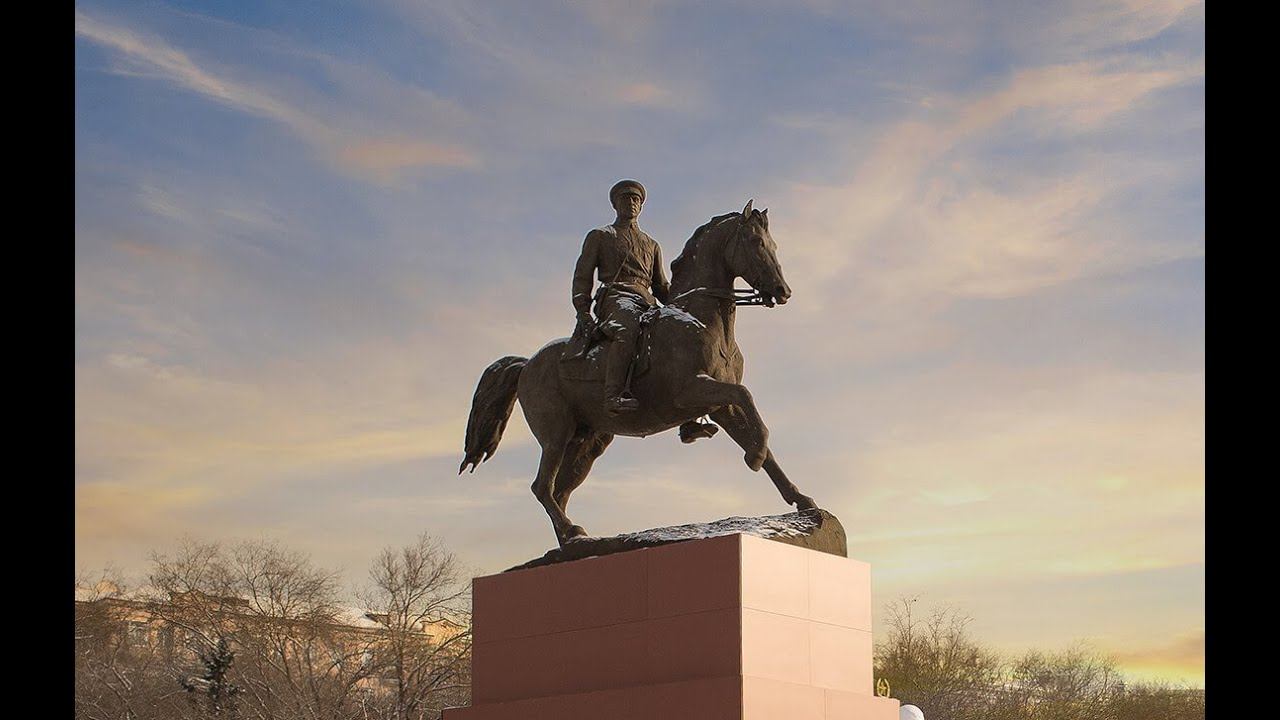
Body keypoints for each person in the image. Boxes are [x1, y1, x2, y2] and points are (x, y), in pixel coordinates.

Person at [571, 179, 670, 414]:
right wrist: (583, 310)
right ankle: (612, 395)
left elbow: (660, 285)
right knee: (627, 329)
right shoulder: (600, 236)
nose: (631, 203)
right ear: (615, 204)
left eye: (636, 199)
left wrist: (682, 306)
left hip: (646, 301)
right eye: (626, 198)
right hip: (616, 297)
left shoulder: (652, 245)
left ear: (641, 206)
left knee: (676, 334)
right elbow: (582, 276)